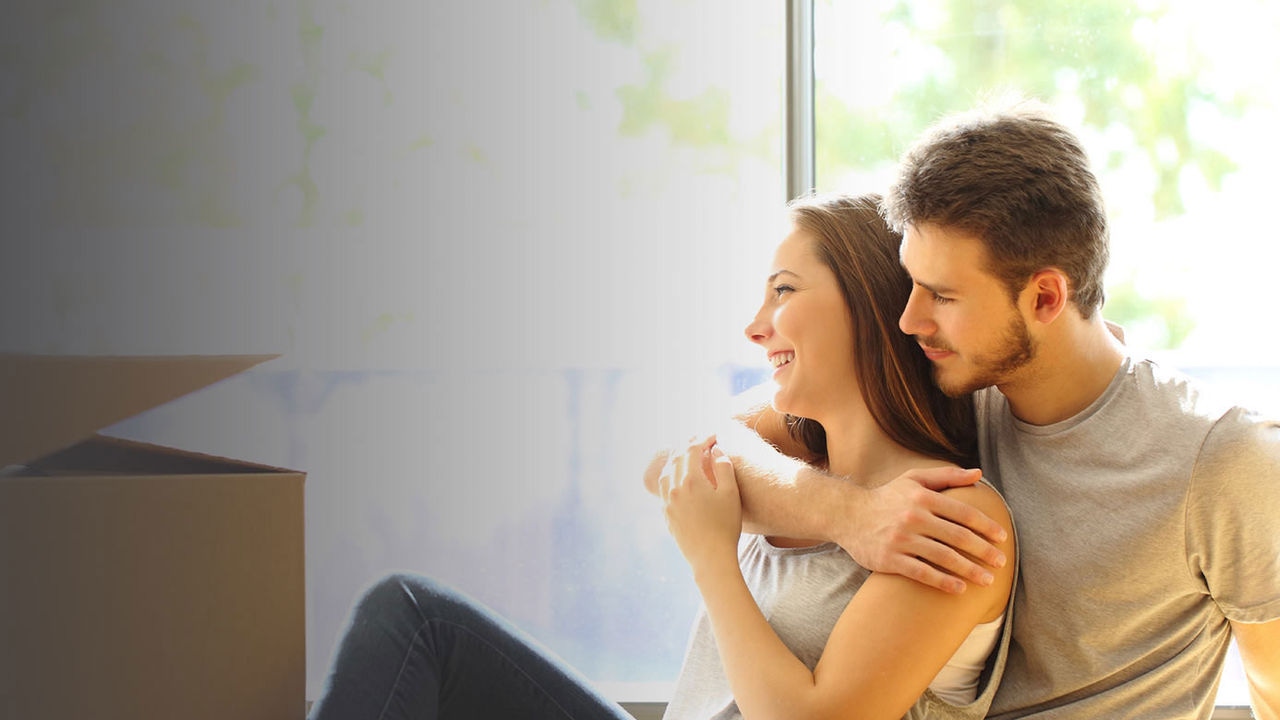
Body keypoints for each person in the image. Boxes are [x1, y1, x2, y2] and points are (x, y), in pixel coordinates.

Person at [653, 100, 1280, 719]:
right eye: (911, 282)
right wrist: (851, 514)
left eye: (943, 296)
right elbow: (690, 449)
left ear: (1045, 297)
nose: (907, 319)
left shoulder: (1223, 458)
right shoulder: (951, 379)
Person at [307, 193, 1018, 720]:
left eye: (783, 292)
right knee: (412, 616)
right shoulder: (793, 446)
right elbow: (667, 458)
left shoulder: (955, 515)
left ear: (867, 305)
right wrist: (847, 513)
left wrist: (712, 556)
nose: (754, 324)